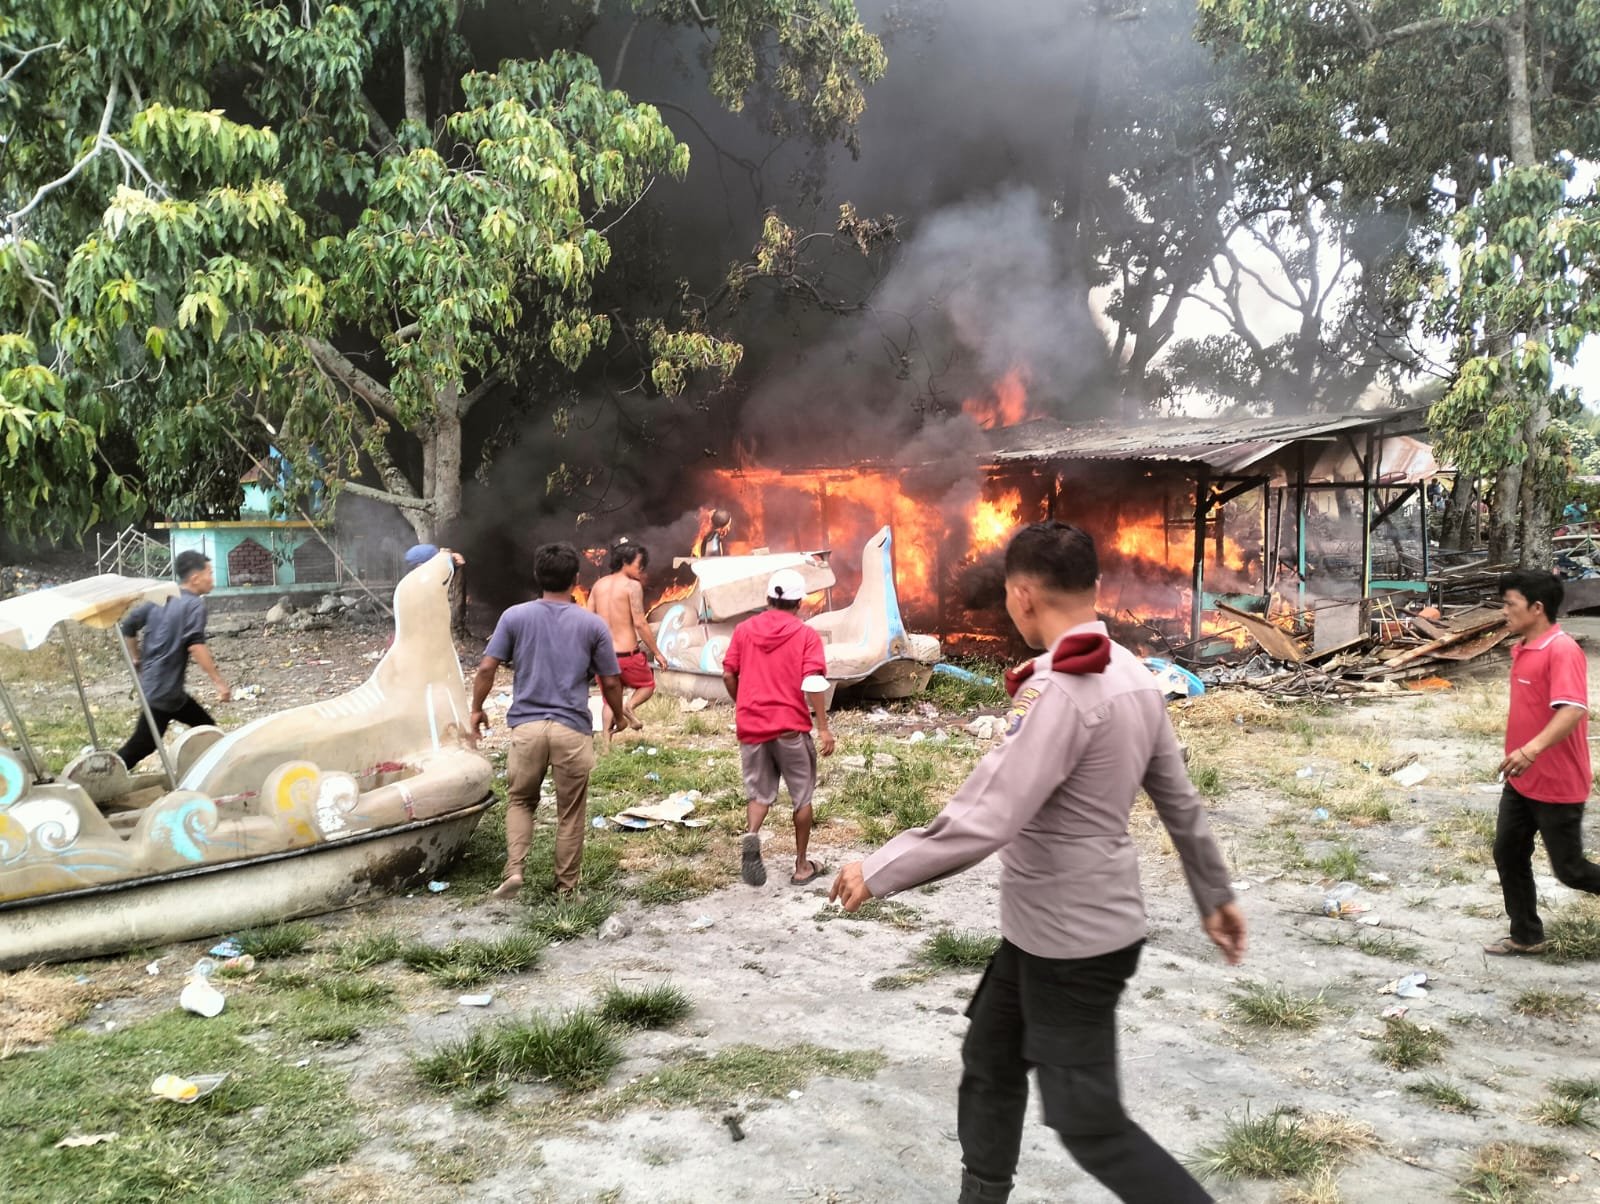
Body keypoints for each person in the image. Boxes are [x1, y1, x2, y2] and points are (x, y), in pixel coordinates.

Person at [829, 522, 1246, 1204]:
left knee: (1090, 1126)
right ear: (1092, 588)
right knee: (990, 1060)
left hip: (1071, 944)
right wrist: (1215, 895)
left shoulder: (1062, 690)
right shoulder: (1134, 675)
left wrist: (880, 868)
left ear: (1021, 596)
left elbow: (990, 813)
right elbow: (1180, 800)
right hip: (1047, 931)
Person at [469, 542, 626, 900]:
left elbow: (486, 667)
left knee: (521, 801)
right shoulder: (592, 624)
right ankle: (566, 890)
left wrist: (476, 708)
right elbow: (612, 681)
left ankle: (515, 870)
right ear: (575, 579)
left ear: (537, 577)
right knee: (570, 814)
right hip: (571, 729)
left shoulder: (514, 617)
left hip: (526, 727)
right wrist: (618, 715)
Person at [1485, 568, 1600, 955]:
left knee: (1571, 871)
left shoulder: (1561, 649)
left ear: (1537, 608)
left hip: (1557, 782)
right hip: (1521, 779)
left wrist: (1531, 749)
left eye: (1510, 604)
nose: (1504, 611)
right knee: (1508, 852)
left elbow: (1571, 710)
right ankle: (1526, 935)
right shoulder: (1524, 648)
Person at [721, 567, 834, 887]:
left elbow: (729, 674)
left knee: (759, 793)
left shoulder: (744, 630)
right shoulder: (805, 635)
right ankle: (801, 866)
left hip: (752, 727)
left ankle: (752, 835)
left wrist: (741, 702)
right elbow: (813, 681)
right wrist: (823, 727)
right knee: (802, 796)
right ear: (799, 603)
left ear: (768, 598)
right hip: (789, 729)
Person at [115, 551, 232, 770]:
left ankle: (202, 772)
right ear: (195, 578)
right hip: (164, 691)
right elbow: (196, 645)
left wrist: (136, 658)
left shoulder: (162, 598)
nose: (212, 579)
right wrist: (218, 682)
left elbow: (128, 626)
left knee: (206, 728)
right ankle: (103, 774)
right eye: (210, 573)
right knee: (143, 744)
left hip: (157, 686)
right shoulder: (194, 605)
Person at [586, 541, 665, 730]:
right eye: (639, 564)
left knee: (608, 701)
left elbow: (587, 618)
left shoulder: (598, 585)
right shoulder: (632, 586)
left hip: (604, 655)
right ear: (624, 561)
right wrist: (657, 653)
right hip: (627, 655)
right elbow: (640, 622)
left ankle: (606, 745)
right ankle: (628, 707)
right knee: (647, 685)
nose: (642, 568)